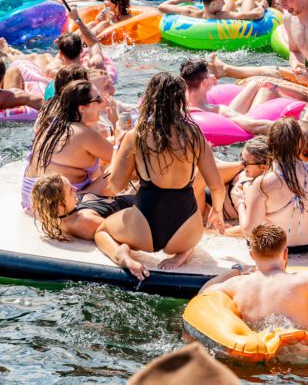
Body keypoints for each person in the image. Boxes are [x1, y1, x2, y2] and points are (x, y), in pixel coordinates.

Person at [95, 73, 226, 277]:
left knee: (102, 231)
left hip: (144, 226)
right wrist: (217, 211)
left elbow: (115, 185)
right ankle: (183, 253)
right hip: (185, 228)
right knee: (193, 239)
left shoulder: (136, 135)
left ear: (150, 98)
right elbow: (217, 186)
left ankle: (122, 255)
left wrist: (117, 147)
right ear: (181, 100)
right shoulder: (194, 135)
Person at [200, 223, 308, 334]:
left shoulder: (238, 285)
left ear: (251, 255)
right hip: (304, 357)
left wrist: (235, 271)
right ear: (285, 253)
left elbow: (204, 293)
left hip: (259, 353)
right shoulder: (301, 281)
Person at [22, 80, 119, 212]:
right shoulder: (85, 134)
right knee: (117, 168)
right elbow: (121, 158)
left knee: (108, 152)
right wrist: (116, 123)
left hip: (30, 200)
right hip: (55, 206)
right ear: (82, 109)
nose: (103, 102)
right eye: (98, 99)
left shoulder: (53, 123)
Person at [239, 119, 308, 253]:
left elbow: (249, 231)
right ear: (300, 143)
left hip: (277, 249)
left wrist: (241, 203)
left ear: (270, 144)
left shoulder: (263, 182)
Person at [181, 59, 276, 136]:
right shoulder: (218, 110)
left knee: (254, 85)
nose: (212, 76)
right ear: (205, 83)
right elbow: (252, 126)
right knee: (267, 89)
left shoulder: (177, 106)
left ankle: (254, 84)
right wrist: (285, 127)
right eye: (209, 74)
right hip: (230, 134)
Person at [31, 173, 135, 241]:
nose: (75, 188)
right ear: (60, 205)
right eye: (70, 190)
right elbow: (124, 233)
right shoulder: (83, 222)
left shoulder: (58, 214)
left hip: (125, 199)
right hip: (139, 208)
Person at [197, 136, 270, 223]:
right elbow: (211, 169)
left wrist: (212, 230)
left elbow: (251, 225)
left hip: (205, 212)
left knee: (200, 173)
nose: (243, 164)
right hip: (204, 192)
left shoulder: (258, 191)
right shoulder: (247, 169)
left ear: (263, 167)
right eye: (241, 158)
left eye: (245, 162)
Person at [159, 0, 265, 21]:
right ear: (213, 4)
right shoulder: (223, 15)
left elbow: (162, 7)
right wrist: (261, 6)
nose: (223, 3)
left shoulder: (190, 11)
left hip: (204, 14)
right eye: (221, 2)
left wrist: (181, 0)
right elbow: (255, 15)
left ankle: (239, 2)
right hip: (232, 14)